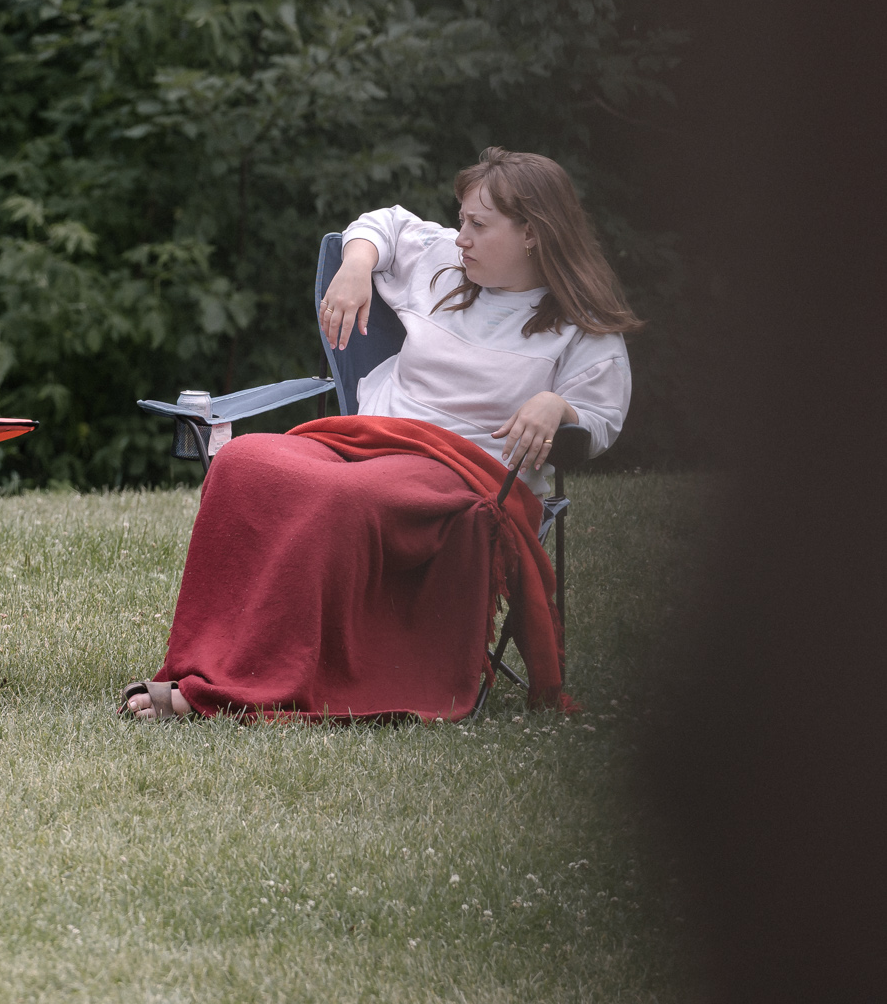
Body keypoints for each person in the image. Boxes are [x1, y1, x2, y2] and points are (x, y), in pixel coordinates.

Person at [123, 147, 643, 722]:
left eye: (479, 224)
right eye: (462, 219)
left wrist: (557, 406)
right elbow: (385, 224)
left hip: (467, 472)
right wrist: (355, 266)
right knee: (243, 462)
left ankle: (258, 682)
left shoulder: (580, 327)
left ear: (532, 234)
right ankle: (206, 664)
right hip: (367, 439)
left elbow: (600, 420)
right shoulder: (443, 263)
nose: (461, 236)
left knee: (342, 497)